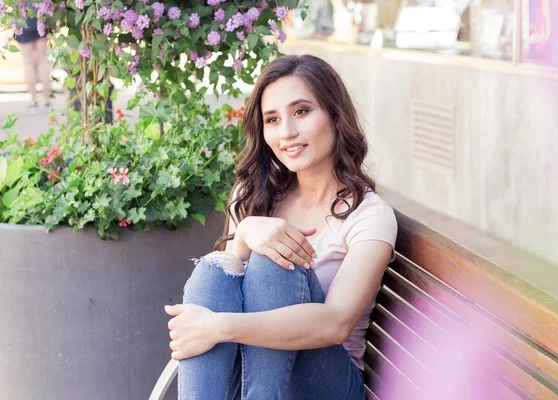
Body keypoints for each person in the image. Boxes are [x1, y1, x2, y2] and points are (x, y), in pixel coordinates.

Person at [165, 54, 398, 400]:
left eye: (301, 111)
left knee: (274, 262)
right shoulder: (252, 194)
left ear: (335, 115)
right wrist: (243, 235)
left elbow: (335, 324)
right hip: (248, 376)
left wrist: (218, 327)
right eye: (272, 119)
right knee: (213, 274)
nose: (286, 132)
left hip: (326, 383)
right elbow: (223, 291)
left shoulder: (369, 216)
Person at [14, 7, 52, 113]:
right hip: (40, 18)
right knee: (43, 61)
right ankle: (46, 100)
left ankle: (33, 101)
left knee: (27, 62)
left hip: (24, 20)